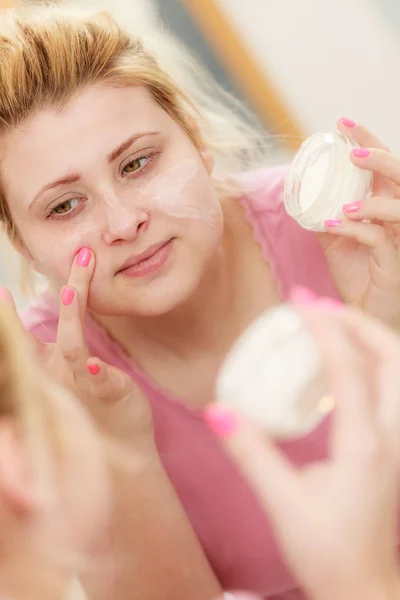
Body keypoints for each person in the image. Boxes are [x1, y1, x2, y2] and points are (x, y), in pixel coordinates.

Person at [1, 2, 400, 597]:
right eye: (64, 206)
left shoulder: (346, 231)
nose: (124, 221)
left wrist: (390, 333)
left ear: (196, 138)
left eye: (137, 163)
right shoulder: (50, 382)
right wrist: (121, 450)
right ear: (23, 245)